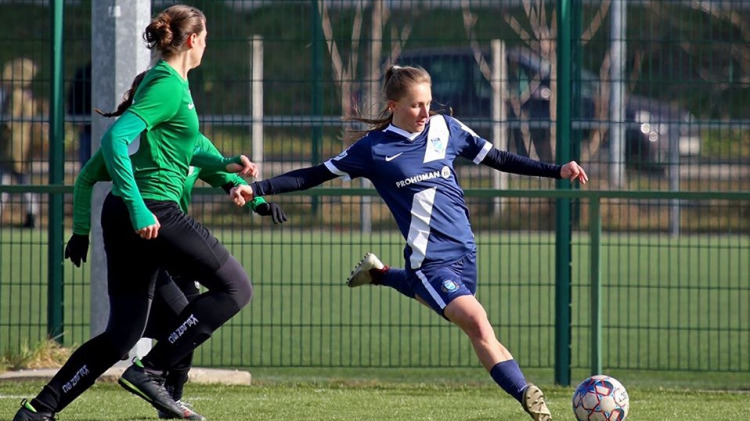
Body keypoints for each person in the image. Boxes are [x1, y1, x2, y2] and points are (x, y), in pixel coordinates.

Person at [233, 65, 588, 421]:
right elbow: (312, 174)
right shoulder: (373, 149)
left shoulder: (447, 129)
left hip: (465, 253)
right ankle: (528, 397)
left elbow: (498, 158)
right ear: (393, 106)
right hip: (429, 262)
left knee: (460, 314)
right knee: (477, 323)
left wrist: (556, 170)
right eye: (416, 105)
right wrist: (257, 189)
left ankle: (382, 274)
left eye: (428, 104)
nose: (424, 113)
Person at [12, 5, 258, 421]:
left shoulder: (172, 82)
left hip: (128, 214)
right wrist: (139, 206)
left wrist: (229, 167)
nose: (207, 44)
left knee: (123, 334)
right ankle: (150, 373)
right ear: (193, 40)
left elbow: (188, 149)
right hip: (151, 210)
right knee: (236, 288)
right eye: (207, 36)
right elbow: (115, 141)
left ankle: (39, 410)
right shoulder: (166, 84)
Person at [63, 141, 286, 421]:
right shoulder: (133, 142)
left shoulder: (193, 141)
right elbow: (86, 177)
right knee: (130, 336)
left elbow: (225, 174)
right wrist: (80, 231)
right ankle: (160, 394)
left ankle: (170, 401)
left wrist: (259, 203)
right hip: (143, 244)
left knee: (186, 322)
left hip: (174, 243)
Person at [0, 57, 41, 228]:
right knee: (21, 180)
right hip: (23, 143)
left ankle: (31, 214)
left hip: (12, 144)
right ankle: (32, 214)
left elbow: (9, 121)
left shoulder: (16, 95)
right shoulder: (27, 95)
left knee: (6, 179)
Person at [67, 62, 92, 167]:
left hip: (106, 122)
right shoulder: (84, 73)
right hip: (86, 124)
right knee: (86, 161)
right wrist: (77, 118)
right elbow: (73, 97)